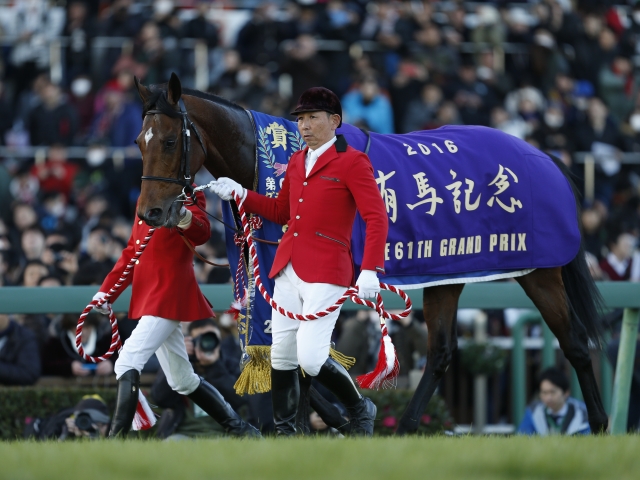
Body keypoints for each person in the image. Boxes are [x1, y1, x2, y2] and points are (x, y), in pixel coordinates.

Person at [210, 87, 388, 436]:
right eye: (301, 119)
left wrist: (370, 268)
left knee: (311, 358)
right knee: (282, 357)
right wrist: (241, 193)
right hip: (287, 267)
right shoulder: (295, 161)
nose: (304, 126)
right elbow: (281, 211)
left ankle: (359, 407)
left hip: (328, 270)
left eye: (312, 118)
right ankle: (286, 434)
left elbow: (376, 217)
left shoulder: (353, 161)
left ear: (334, 121)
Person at [92, 189, 260, 438]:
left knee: (127, 362)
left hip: (169, 292)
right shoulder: (145, 194)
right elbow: (133, 251)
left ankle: (113, 442)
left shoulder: (190, 194)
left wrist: (182, 215)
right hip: (152, 294)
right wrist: (106, 292)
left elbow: (202, 232)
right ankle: (243, 430)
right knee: (182, 380)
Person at [152, 319, 262, 439]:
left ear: (219, 342)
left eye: (211, 338)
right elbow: (160, 399)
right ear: (191, 342)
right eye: (201, 339)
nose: (207, 342)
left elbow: (241, 400)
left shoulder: (230, 365)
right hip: (184, 434)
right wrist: (177, 359)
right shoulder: (180, 366)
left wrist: (214, 367)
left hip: (224, 434)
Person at [517, 367, 590, 436]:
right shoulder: (533, 412)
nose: (548, 398)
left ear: (566, 393)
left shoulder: (583, 412)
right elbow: (523, 436)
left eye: (553, 392)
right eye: (544, 392)